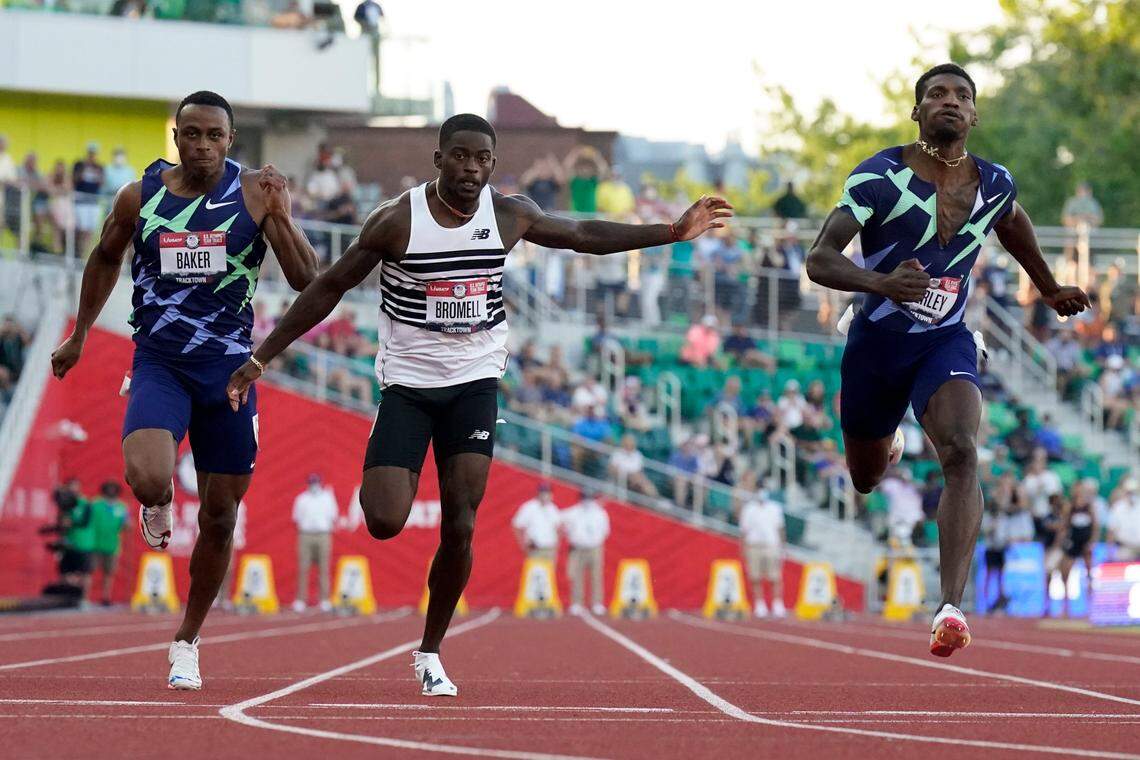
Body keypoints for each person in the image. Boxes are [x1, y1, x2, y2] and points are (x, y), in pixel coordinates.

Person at [225, 113, 731, 697]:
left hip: (476, 380)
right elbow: (329, 287)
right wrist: (263, 356)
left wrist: (669, 231)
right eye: (460, 157)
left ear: (493, 164)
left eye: (482, 159)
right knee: (384, 520)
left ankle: (430, 651)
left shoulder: (509, 213)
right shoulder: (395, 222)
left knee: (462, 522)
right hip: (409, 384)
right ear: (438, 159)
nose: (471, 169)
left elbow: (583, 235)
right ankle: (387, 467)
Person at [804, 63, 1089, 657]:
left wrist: (1049, 285)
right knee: (865, 477)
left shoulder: (994, 183)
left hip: (946, 338)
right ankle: (890, 438)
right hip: (877, 343)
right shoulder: (878, 177)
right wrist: (881, 282)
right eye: (936, 94)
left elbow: (1012, 224)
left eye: (962, 95)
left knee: (960, 448)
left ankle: (950, 608)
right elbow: (820, 259)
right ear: (917, 111)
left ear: (975, 114)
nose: (950, 102)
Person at [50, 91, 318, 690]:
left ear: (230, 141)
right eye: (190, 134)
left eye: (213, 136)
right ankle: (159, 499)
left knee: (221, 517)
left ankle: (187, 640)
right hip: (161, 363)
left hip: (230, 372)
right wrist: (81, 334)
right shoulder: (139, 197)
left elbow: (306, 280)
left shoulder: (254, 192)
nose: (201, 146)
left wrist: (281, 211)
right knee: (146, 475)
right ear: (176, 137)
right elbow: (103, 259)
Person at [292, 473, 338, 612]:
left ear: (320, 482)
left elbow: (333, 515)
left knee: (324, 568)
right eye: (312, 483)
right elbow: (297, 517)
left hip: (323, 535)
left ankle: (324, 599)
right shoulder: (301, 499)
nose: (314, 485)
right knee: (303, 568)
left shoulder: (327, 498)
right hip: (305, 535)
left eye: (316, 482)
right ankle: (301, 600)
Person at [737, 486, 786, 618]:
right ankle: (760, 605)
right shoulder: (748, 509)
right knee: (755, 577)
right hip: (754, 545)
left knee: (775, 577)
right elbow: (743, 531)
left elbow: (780, 528)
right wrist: (743, 548)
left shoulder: (775, 508)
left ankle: (777, 604)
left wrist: (783, 547)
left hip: (772, 545)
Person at [560, 489, 611, 616]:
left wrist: (596, 540)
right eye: (584, 498)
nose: (587, 502)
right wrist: (568, 534)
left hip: (595, 547)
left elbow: (605, 530)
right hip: (577, 548)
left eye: (589, 499)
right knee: (577, 576)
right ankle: (577, 603)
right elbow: (560, 520)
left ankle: (597, 603)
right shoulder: (573, 512)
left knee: (596, 575)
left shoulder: (599, 512)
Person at [1056, 480, 1097, 618]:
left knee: (1089, 573)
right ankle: (1065, 606)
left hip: (1085, 542)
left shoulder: (1089, 507)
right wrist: (1062, 540)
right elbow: (1065, 525)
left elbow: (1095, 526)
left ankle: (1090, 607)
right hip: (1073, 541)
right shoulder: (1070, 506)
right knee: (1065, 572)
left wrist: (1092, 542)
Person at [89, 481, 128, 606]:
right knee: (89, 571)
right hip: (95, 544)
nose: (111, 491)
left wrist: (128, 525)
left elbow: (125, 525)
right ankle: (85, 597)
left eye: (113, 488)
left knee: (109, 573)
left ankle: (105, 597)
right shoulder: (95, 504)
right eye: (109, 488)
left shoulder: (122, 507)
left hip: (112, 545)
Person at [512, 483, 562, 563]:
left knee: (548, 574)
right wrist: (523, 544)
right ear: (538, 493)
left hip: (549, 549)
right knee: (534, 573)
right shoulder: (529, 507)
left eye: (548, 492)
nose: (546, 495)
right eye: (543, 492)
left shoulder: (552, 508)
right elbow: (517, 525)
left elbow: (559, 527)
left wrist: (557, 546)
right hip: (535, 548)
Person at [1108, 477, 1140, 561]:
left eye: (1133, 491)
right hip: (1126, 547)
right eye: (1129, 492)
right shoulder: (1117, 507)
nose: (1131, 494)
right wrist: (1109, 551)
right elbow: (1111, 530)